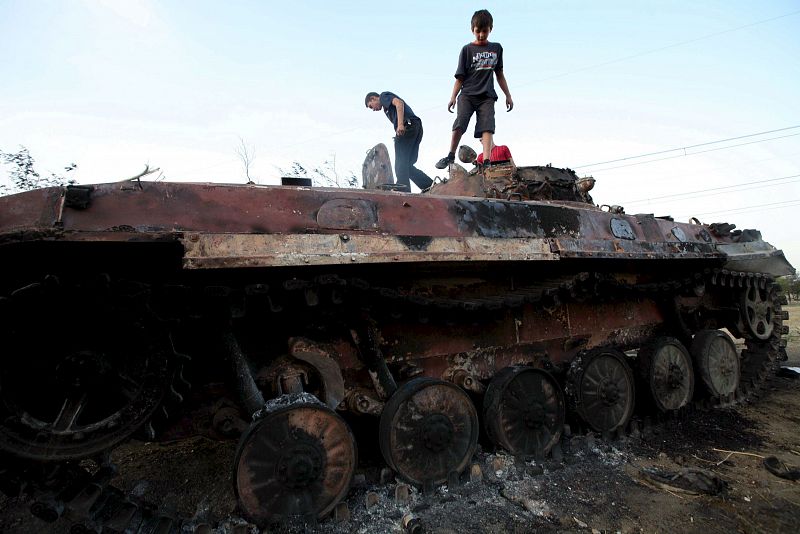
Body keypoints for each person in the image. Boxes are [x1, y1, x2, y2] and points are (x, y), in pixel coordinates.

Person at [436, 9, 513, 171]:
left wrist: (508, 95)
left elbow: (499, 74)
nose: (481, 35)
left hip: (487, 96)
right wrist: (452, 97)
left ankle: (486, 161)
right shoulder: (467, 50)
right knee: (460, 122)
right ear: (472, 30)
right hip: (468, 95)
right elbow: (460, 78)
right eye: (478, 31)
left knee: (487, 126)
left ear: (490, 29)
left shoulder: (496, 48)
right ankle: (450, 154)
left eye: (484, 31)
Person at [365, 91, 433, 192]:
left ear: (373, 98)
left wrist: (400, 124)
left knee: (400, 163)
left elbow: (399, 103)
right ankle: (429, 185)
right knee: (407, 166)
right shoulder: (386, 109)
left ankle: (403, 188)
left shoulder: (383, 97)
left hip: (408, 126)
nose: (373, 109)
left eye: (371, 106)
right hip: (415, 126)